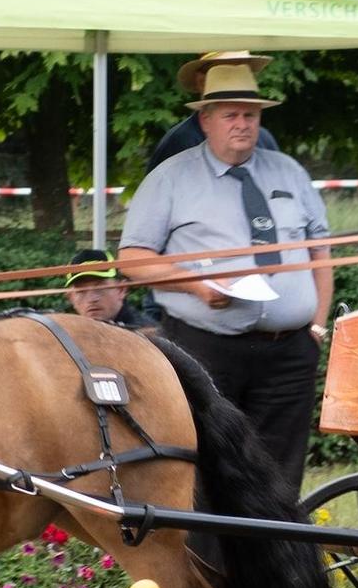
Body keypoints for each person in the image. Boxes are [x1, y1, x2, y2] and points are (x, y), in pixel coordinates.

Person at [118, 63, 331, 499]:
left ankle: (274, 563)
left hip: (289, 352)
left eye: (250, 115)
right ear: (206, 120)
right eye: (230, 115)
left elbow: (320, 252)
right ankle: (212, 567)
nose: (242, 124)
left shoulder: (288, 171)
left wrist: (317, 324)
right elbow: (133, 260)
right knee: (211, 471)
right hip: (206, 347)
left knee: (280, 476)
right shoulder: (170, 178)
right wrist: (196, 286)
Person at [146, 51, 281, 172]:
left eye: (244, 71)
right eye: (225, 73)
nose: (238, 80)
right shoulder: (180, 142)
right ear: (201, 82)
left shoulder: (263, 139)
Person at [61, 248, 160, 336]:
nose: (92, 299)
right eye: (81, 291)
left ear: (122, 290)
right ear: (71, 298)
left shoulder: (148, 335)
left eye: (100, 288)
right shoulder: (67, 336)